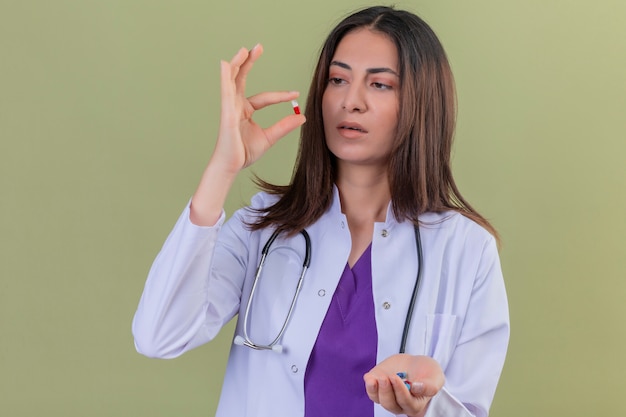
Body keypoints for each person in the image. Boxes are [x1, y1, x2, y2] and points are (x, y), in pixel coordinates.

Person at [132, 5, 509, 417]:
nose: (351, 101)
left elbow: (468, 410)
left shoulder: (467, 249)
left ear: (423, 103)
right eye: (338, 79)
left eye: (380, 85)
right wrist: (222, 169)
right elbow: (158, 336)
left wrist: (425, 404)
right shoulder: (265, 227)